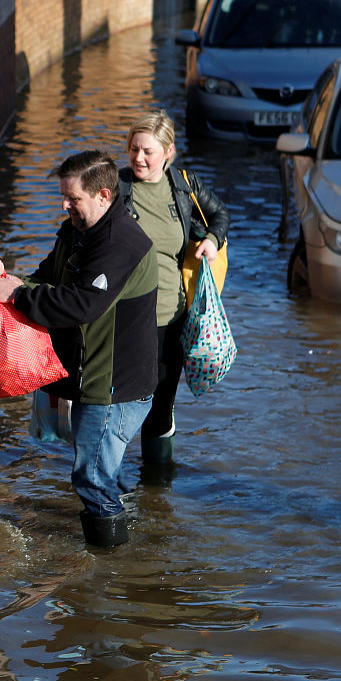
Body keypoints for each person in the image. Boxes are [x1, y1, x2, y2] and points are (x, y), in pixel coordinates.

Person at [0, 151, 157, 547]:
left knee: (90, 477)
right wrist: (7, 279)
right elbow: (45, 278)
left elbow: (82, 305)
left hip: (114, 386)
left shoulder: (119, 243)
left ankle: (107, 568)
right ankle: (130, 540)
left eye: (73, 198)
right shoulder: (77, 230)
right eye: (64, 197)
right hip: (94, 376)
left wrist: (20, 294)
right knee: (104, 472)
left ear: (103, 195)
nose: (65, 205)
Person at [120, 110, 229, 467]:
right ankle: (109, 485)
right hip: (125, 317)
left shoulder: (184, 186)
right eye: (134, 149)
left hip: (173, 315)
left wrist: (212, 240)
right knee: (121, 401)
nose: (138, 158)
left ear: (168, 152)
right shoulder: (115, 187)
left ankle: (157, 485)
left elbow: (220, 215)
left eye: (148, 151)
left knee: (162, 400)